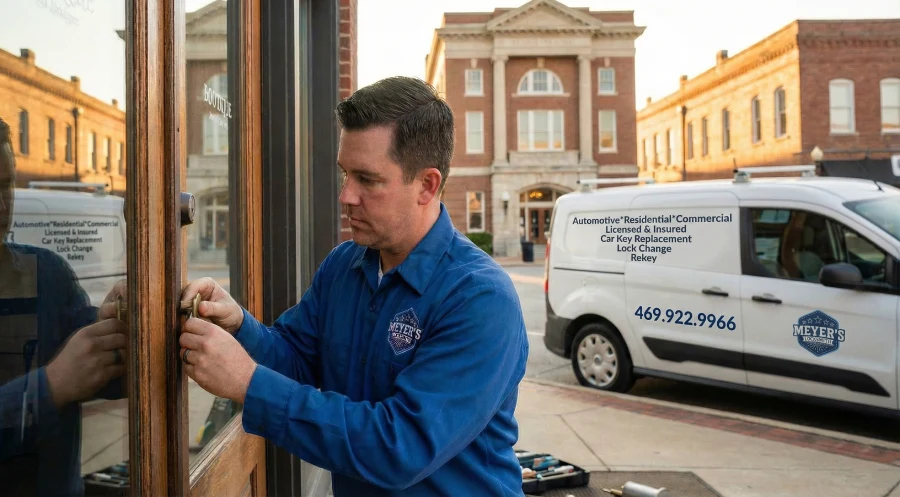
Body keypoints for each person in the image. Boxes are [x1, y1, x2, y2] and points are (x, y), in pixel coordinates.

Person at [179, 76, 530, 496]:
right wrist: (239, 326)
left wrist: (250, 385)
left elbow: (400, 447)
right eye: (346, 174)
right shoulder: (344, 266)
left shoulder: (480, 298)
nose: (346, 195)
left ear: (427, 185)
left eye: (368, 179)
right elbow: (296, 361)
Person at [0, 116, 128, 496]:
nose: (0, 202)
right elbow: (64, 379)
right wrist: (51, 386)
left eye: (5, 183)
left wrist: (124, 325)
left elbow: (110, 374)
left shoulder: (48, 274)